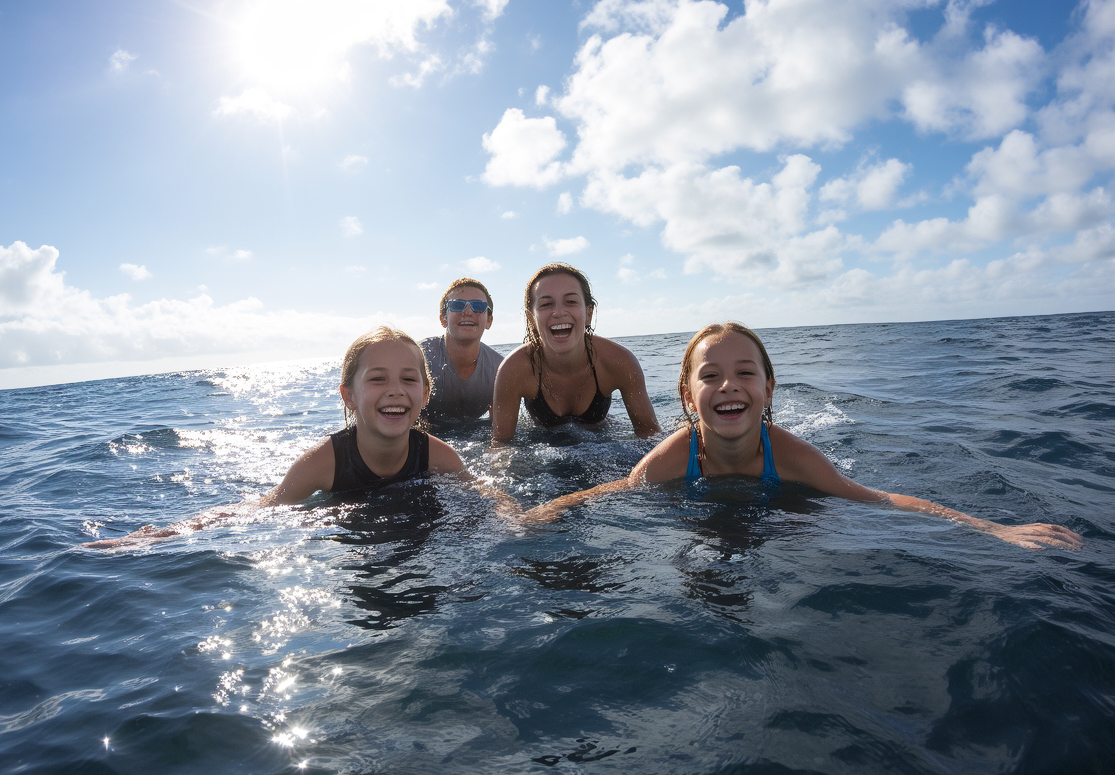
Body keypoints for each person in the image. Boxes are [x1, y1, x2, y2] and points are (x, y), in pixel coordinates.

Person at [523, 322, 1082, 551]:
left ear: (767, 387)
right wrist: (546, 511)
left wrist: (994, 529)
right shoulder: (676, 453)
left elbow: (880, 499)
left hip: (780, 498)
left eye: (745, 373)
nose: (728, 386)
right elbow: (618, 491)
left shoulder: (790, 454)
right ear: (689, 399)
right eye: (710, 376)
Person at [86, 326, 470, 549]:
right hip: (351, 539)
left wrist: (519, 518)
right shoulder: (323, 463)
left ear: (425, 393)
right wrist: (170, 533)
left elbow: (487, 498)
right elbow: (258, 508)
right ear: (349, 396)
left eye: (408, 379)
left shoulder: (439, 457)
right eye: (377, 378)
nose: (395, 390)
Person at [491, 262, 661, 442]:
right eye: (546, 304)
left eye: (571, 301)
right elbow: (500, 446)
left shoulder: (620, 362)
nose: (558, 312)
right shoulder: (513, 370)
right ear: (531, 319)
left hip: (602, 439)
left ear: (589, 313)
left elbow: (650, 434)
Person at [421, 278, 504, 424]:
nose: (468, 312)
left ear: (489, 320)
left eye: (478, 306)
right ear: (443, 318)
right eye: (457, 305)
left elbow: (500, 433)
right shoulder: (419, 357)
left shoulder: (499, 370)